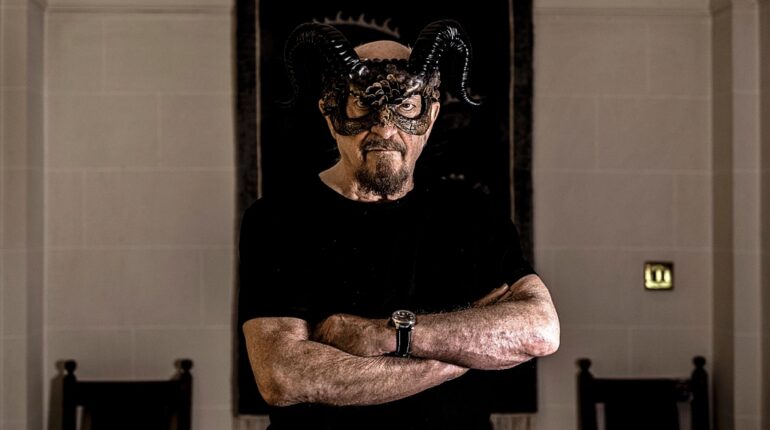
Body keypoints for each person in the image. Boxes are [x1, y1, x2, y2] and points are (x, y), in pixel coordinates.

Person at [238, 19, 560, 430]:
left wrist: (387, 335)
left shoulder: (473, 215)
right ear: (331, 114)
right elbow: (283, 376)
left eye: (406, 106)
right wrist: (460, 356)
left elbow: (540, 330)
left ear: (431, 115)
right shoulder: (278, 220)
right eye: (364, 105)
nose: (385, 128)